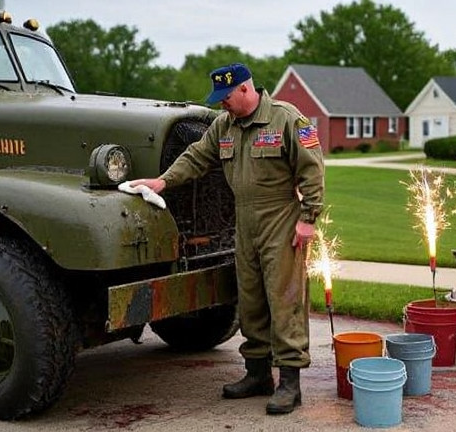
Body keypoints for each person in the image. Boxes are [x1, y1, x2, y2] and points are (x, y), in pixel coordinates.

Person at [129, 63, 324, 415]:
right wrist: (163, 181)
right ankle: (258, 374)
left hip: (280, 217)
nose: (223, 105)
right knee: (250, 298)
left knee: (284, 299)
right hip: (244, 222)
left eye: (227, 98)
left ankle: (290, 384)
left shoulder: (286, 119)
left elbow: (312, 168)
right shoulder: (224, 125)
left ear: (246, 90)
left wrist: (308, 218)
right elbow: (197, 156)